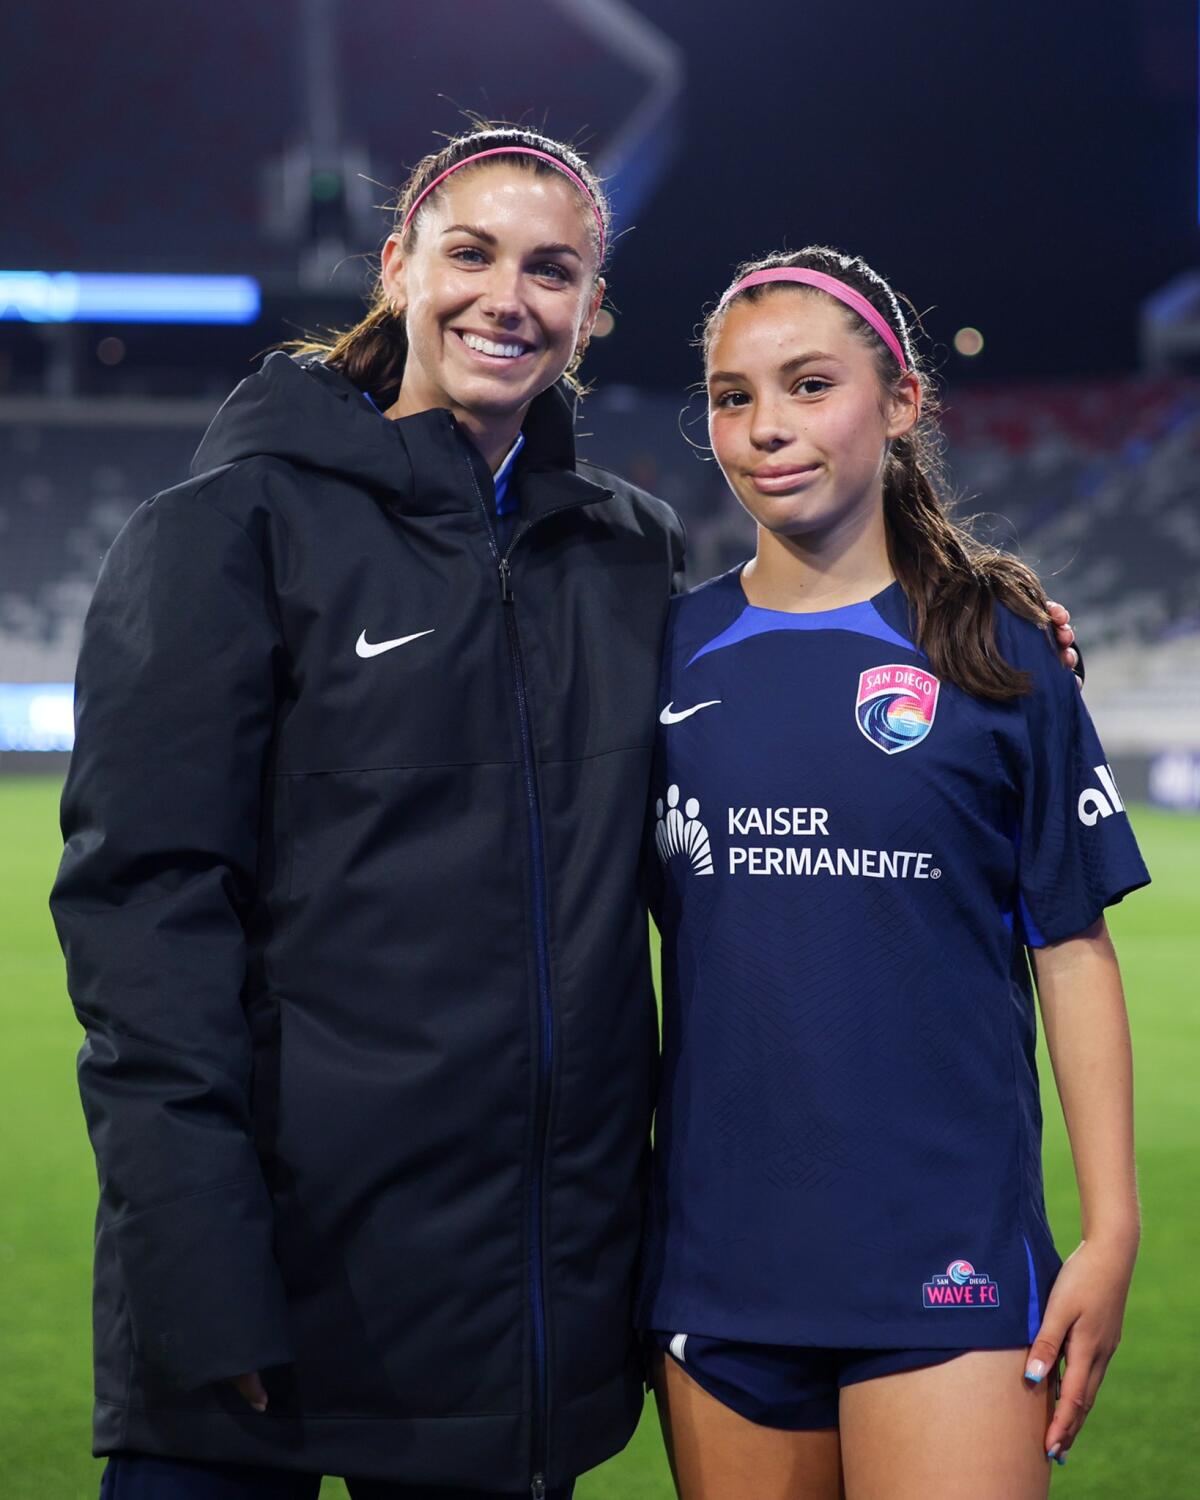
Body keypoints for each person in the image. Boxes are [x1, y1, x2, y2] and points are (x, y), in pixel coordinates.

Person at [50, 125, 684, 1500]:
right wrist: (197, 1265)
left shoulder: (630, 558)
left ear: (589, 312)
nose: (507, 298)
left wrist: (966, 613)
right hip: (259, 1289)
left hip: (502, 1325)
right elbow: (145, 917)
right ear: (398, 265)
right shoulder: (226, 528)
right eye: (471, 253)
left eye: (553, 270)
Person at [638, 247, 1147, 1500]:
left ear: (903, 401)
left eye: (810, 386)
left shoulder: (998, 650)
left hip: (948, 1262)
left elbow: (1072, 944)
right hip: (723, 1262)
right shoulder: (662, 653)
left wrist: (1112, 1226)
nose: (766, 429)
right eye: (731, 396)